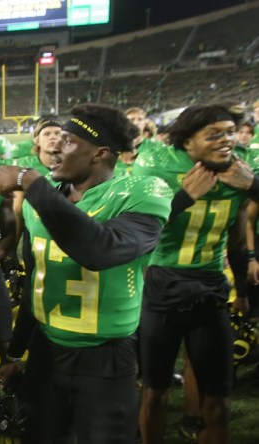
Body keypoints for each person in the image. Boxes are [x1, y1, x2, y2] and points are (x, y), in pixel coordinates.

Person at [0, 104, 173, 443]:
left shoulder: (140, 192)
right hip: (46, 351)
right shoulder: (45, 194)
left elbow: (100, 249)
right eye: (54, 139)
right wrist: (16, 353)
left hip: (105, 357)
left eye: (67, 141)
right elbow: (36, 279)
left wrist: (30, 181)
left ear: (100, 153)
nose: (53, 147)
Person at [134, 104, 259, 444]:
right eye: (214, 134)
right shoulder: (158, 168)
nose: (227, 140)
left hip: (211, 291)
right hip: (162, 290)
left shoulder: (241, 172)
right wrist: (184, 197)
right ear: (188, 144)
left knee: (218, 403)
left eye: (230, 132)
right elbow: (139, 232)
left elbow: (236, 237)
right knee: (155, 395)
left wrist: (242, 294)